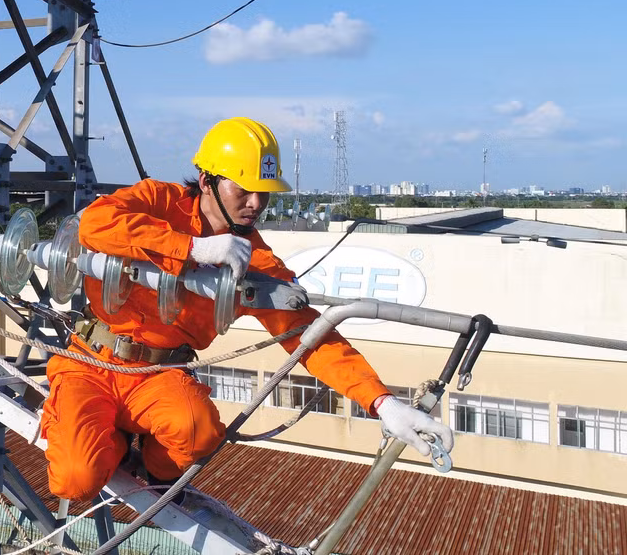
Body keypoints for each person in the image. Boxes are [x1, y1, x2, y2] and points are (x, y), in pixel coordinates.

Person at [39, 117, 453, 501]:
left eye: (264, 194)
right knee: (76, 481)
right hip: (92, 363)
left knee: (197, 433)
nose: (255, 204)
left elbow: (308, 334)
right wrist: (191, 248)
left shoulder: (257, 263)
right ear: (206, 180)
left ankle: (153, 460)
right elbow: (95, 224)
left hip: (160, 376)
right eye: (243, 189)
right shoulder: (156, 201)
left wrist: (381, 402)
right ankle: (109, 439)